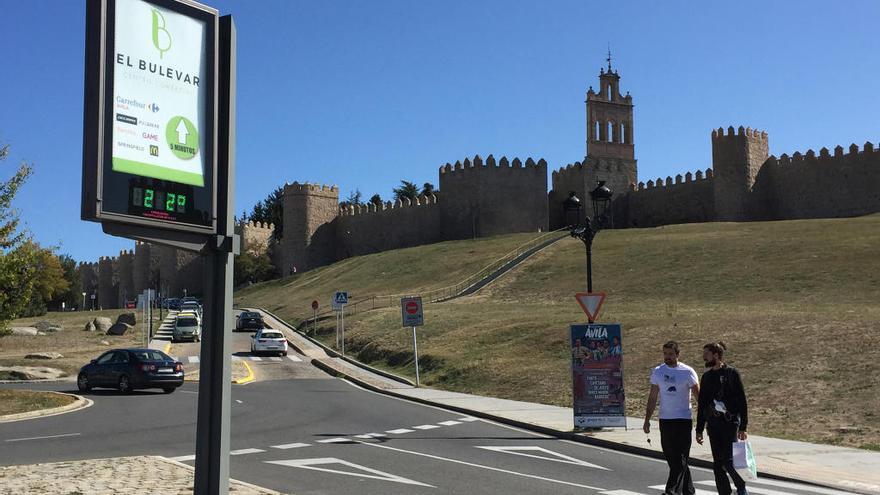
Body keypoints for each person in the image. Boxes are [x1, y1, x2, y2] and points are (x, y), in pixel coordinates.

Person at [644, 341, 700, 495]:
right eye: (665, 354)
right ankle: (689, 491)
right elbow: (652, 397)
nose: (667, 357)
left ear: (677, 354)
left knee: (680, 457)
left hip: (683, 420)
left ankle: (671, 491)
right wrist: (647, 419)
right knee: (672, 458)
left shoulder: (687, 372)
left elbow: (699, 398)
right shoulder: (658, 372)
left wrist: (703, 422)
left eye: (670, 354)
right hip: (665, 420)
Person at [696, 342, 749, 495]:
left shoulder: (732, 374)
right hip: (713, 425)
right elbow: (702, 405)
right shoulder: (706, 377)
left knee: (729, 460)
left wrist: (743, 426)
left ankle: (741, 487)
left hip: (729, 423)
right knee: (718, 464)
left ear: (716, 355)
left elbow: (742, 401)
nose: (704, 357)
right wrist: (699, 429)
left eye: (706, 354)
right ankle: (724, 492)